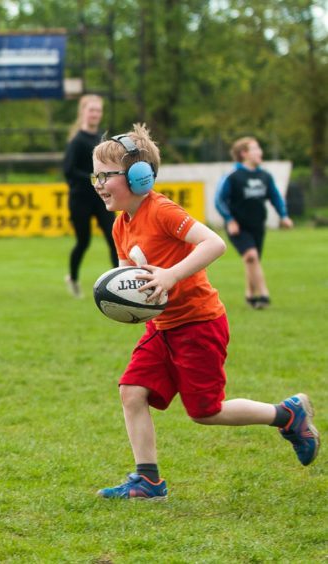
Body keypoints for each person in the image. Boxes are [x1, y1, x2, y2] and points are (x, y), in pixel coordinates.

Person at [90, 124, 319, 500]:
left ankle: (286, 414)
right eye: (95, 175)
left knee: (205, 411)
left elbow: (214, 243)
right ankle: (148, 480)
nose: (98, 184)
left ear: (138, 176)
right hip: (163, 328)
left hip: (199, 323)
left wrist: (171, 275)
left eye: (105, 175)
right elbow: (126, 276)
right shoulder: (120, 225)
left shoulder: (161, 210)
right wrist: (126, 304)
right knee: (132, 392)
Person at [215, 136, 293, 309]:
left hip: (258, 226)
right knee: (251, 256)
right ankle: (264, 295)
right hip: (238, 227)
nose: (260, 152)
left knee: (252, 260)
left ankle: (250, 295)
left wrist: (284, 216)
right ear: (244, 153)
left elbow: (275, 197)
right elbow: (219, 200)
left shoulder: (265, 176)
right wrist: (230, 220)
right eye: (255, 148)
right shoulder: (233, 176)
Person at [62, 94, 118, 298]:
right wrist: (94, 178)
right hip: (80, 200)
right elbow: (68, 171)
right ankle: (73, 279)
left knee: (114, 239)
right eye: (91, 110)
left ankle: (119, 284)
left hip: (102, 199)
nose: (95, 114)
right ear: (83, 112)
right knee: (83, 242)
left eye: (98, 110)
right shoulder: (77, 141)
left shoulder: (100, 139)